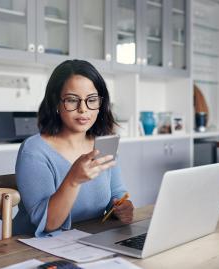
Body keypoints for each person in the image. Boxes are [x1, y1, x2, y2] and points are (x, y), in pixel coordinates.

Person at [13, 59, 134, 237]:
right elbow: (48, 224)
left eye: (91, 100)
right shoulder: (34, 151)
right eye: (72, 100)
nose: (83, 109)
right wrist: (73, 180)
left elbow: (116, 193)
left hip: (89, 241)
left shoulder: (104, 143)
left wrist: (123, 207)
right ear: (56, 102)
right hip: (34, 250)